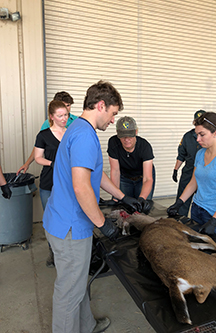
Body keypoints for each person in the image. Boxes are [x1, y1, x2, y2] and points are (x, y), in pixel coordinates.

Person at [43, 80, 142, 333]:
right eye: (113, 114)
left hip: (61, 219)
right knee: (68, 293)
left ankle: (86, 326)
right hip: (70, 228)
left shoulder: (77, 128)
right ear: (101, 105)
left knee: (76, 285)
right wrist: (102, 224)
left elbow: (94, 174)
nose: (112, 121)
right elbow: (82, 187)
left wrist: (122, 196)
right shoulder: (85, 135)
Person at [167, 112, 216, 240]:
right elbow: (194, 182)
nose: (198, 139)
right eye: (197, 135)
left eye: (202, 135)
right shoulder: (200, 154)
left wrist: (214, 221)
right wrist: (179, 203)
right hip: (197, 210)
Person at [34, 100, 68, 267]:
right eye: (60, 115)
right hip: (48, 182)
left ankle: (66, 250)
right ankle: (52, 251)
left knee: (66, 216)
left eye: (66, 115)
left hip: (67, 183)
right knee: (50, 218)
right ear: (51, 116)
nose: (64, 118)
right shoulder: (43, 135)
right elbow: (37, 157)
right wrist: (52, 163)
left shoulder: (71, 133)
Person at [17, 91, 77, 175]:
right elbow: (39, 146)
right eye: (63, 105)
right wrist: (27, 163)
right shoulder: (47, 126)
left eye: (68, 105)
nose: (66, 108)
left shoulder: (77, 122)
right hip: (51, 174)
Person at [107, 116, 155, 214]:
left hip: (143, 177)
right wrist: (115, 196)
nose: (126, 139)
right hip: (124, 177)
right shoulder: (113, 143)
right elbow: (115, 172)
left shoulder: (145, 146)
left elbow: (148, 179)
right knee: (124, 207)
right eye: (123, 136)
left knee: (142, 208)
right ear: (117, 133)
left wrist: (142, 198)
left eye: (130, 135)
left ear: (136, 132)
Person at [172, 110, 206, 216]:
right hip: (188, 172)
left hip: (204, 174)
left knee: (201, 204)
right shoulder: (187, 136)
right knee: (182, 201)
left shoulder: (211, 138)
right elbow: (181, 155)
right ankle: (181, 223)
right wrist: (175, 169)